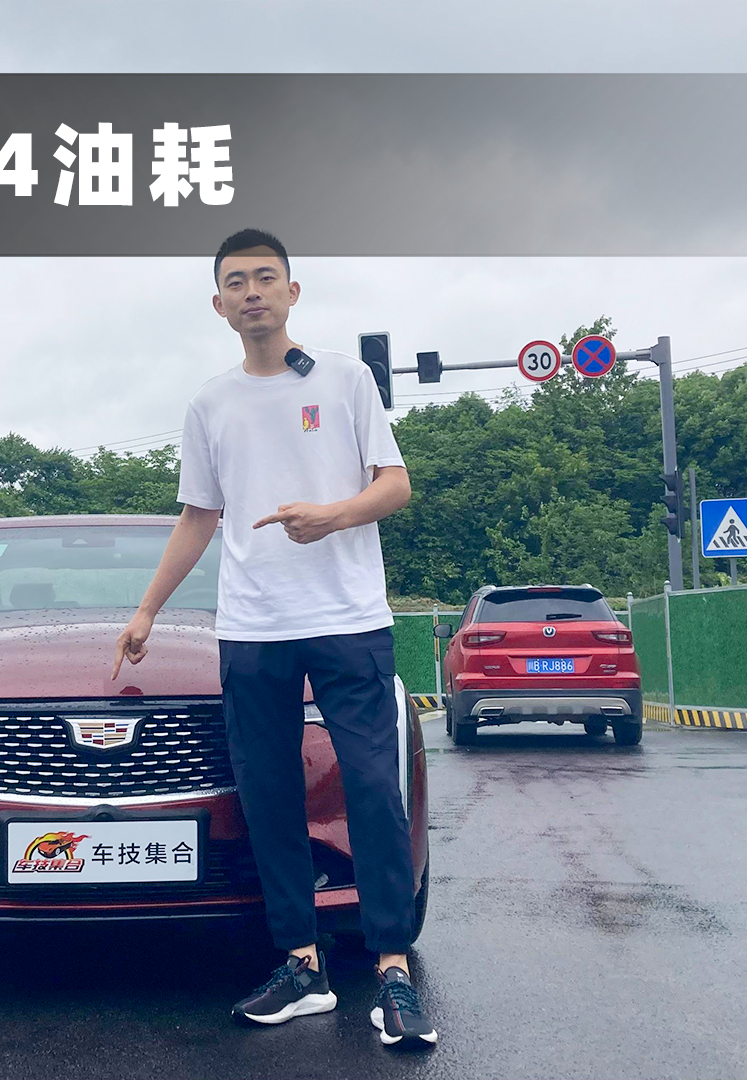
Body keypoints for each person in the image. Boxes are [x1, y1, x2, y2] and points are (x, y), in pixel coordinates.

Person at [111, 228, 436, 1049]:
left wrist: (334, 515)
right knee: (269, 795)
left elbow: (395, 485)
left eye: (265, 277)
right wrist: (147, 610)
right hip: (254, 627)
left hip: (349, 619)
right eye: (236, 281)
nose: (252, 291)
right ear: (219, 305)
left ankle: (392, 971)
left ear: (292, 292)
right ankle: (302, 965)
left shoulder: (346, 379)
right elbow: (199, 516)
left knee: (373, 788)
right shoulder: (211, 404)